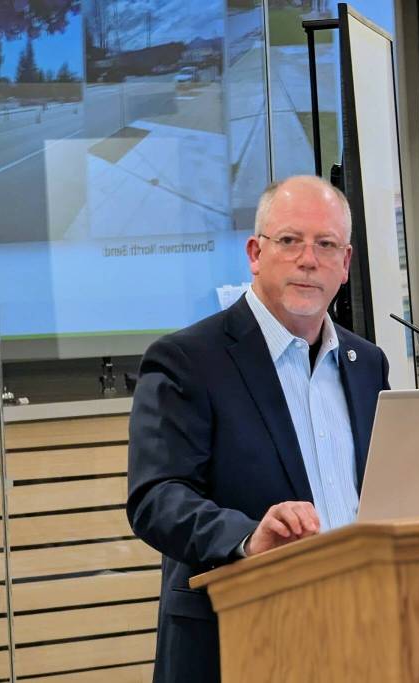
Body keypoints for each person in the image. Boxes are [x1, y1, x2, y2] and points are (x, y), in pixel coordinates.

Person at [127, 175, 390, 683]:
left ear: (345, 264)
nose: (308, 259)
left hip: (362, 631)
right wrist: (248, 537)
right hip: (242, 639)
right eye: (290, 240)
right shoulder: (188, 359)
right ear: (255, 253)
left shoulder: (367, 363)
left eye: (325, 244)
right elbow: (156, 498)